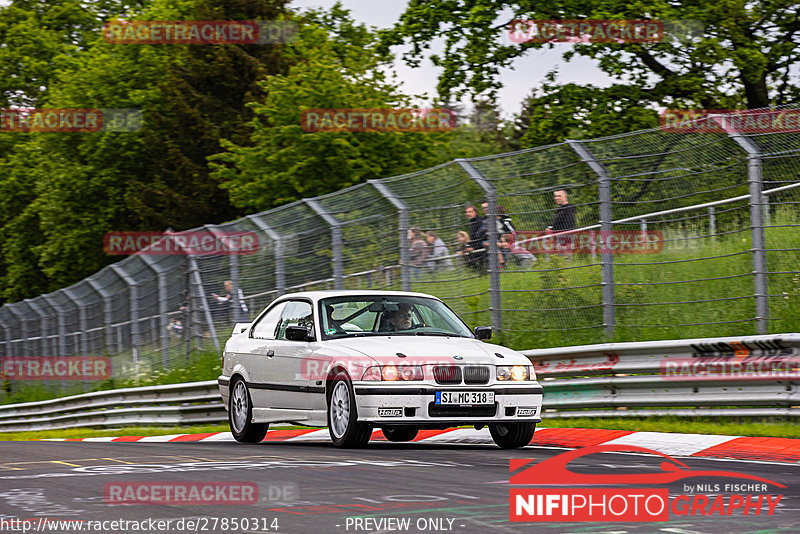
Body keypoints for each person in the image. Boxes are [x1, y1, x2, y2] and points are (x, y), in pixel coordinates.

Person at [464, 204, 487, 271]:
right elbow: (473, 238)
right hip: (477, 245)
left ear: (475, 212)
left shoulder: (480, 222)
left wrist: (473, 247)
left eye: (470, 212)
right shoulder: (472, 223)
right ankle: (475, 269)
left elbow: (482, 237)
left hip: (482, 245)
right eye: (466, 212)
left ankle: (478, 269)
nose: (467, 214)